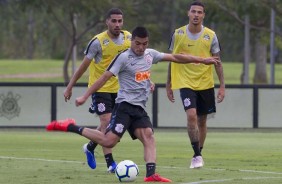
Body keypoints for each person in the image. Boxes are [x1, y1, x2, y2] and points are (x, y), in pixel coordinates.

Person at [46, 26, 219, 182]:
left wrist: (203, 60)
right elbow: (103, 78)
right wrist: (84, 96)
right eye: (138, 43)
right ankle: (71, 126)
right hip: (124, 106)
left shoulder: (150, 55)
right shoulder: (123, 58)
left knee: (149, 136)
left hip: (139, 108)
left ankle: (150, 175)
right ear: (131, 41)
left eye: (145, 44)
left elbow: (175, 57)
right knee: (108, 141)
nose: (141, 47)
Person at [62, 8, 131, 172]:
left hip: (120, 90)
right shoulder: (98, 42)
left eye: (120, 21)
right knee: (106, 123)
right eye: (113, 21)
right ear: (106, 21)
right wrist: (70, 86)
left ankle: (90, 147)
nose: (117, 24)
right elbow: (82, 68)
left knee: (113, 126)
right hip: (100, 88)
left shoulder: (128, 38)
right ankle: (110, 163)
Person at [166, 1, 225, 169]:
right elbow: (172, 59)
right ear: (188, 13)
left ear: (203, 15)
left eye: (200, 12)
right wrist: (168, 84)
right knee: (191, 115)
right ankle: (197, 155)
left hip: (205, 83)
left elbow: (217, 62)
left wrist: (222, 86)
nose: (196, 15)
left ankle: (199, 151)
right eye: (193, 11)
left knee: (202, 121)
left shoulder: (211, 35)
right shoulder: (178, 34)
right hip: (184, 82)